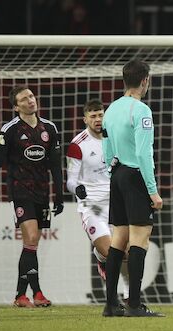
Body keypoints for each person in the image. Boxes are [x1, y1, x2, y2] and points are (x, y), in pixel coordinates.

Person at [0, 86, 64, 308]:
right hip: (20, 191)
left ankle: (22, 295)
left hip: (42, 192)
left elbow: (55, 165)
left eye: (32, 96)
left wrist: (59, 194)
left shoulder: (49, 128)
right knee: (32, 238)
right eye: (24, 99)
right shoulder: (10, 130)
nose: (30, 100)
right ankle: (35, 293)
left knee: (30, 244)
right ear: (16, 107)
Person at [101, 59, 164, 317]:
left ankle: (110, 304)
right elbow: (143, 153)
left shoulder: (111, 110)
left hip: (116, 175)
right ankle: (135, 304)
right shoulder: (141, 111)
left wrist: (113, 173)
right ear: (144, 80)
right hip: (135, 176)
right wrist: (152, 190)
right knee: (140, 240)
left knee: (119, 239)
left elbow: (106, 151)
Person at [66, 99, 130, 301]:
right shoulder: (78, 145)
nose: (97, 119)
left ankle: (129, 295)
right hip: (92, 206)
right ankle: (103, 259)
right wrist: (78, 190)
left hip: (116, 202)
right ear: (85, 119)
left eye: (100, 115)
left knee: (128, 253)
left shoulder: (116, 138)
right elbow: (70, 181)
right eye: (92, 116)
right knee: (113, 254)